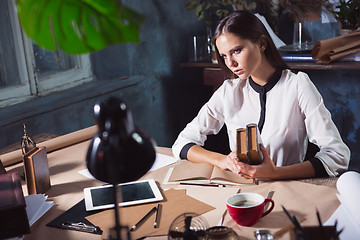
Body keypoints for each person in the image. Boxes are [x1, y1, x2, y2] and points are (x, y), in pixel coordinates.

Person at [172, 10, 350, 179]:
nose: (230, 63)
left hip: (286, 190)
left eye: (237, 51)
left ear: (262, 43)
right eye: (224, 56)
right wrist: (222, 160)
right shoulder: (229, 91)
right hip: (240, 192)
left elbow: (337, 155)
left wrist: (275, 173)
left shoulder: (297, 85)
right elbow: (182, 143)